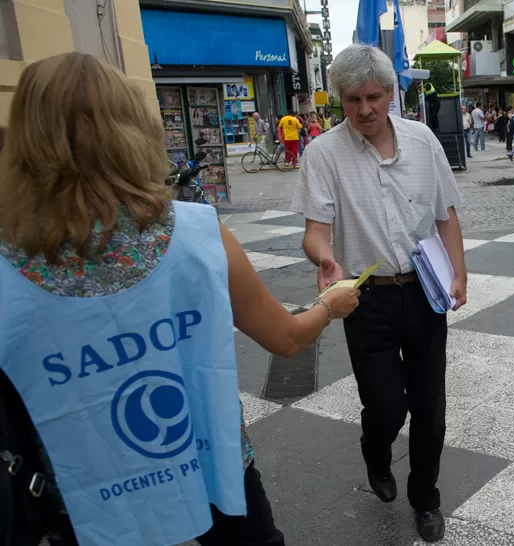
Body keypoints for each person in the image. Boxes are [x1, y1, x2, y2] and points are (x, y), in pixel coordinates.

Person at [0, 52, 360, 546]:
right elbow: (287, 339)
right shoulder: (196, 234)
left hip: (84, 498)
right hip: (209, 463)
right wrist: (331, 305)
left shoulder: (8, 264)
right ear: (129, 129)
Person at [291, 44, 467, 543]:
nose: (365, 109)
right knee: (386, 404)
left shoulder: (422, 140)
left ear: (391, 93)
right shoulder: (324, 153)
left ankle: (426, 498)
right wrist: (323, 258)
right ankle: (376, 451)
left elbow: (445, 213)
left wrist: (460, 273)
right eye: (353, 100)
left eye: (374, 97)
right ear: (338, 100)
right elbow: (314, 230)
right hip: (365, 298)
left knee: (430, 405)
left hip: (426, 288)